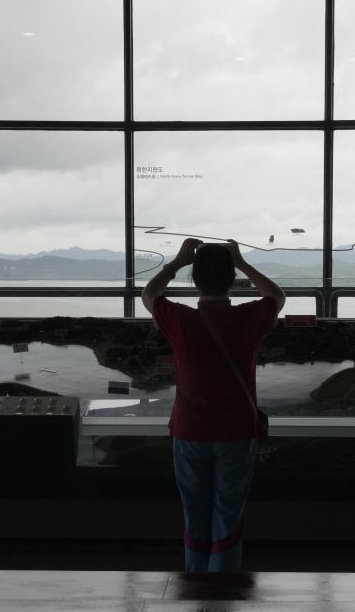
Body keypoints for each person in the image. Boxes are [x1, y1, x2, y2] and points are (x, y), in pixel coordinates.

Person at [141, 238, 285, 572]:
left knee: (194, 511)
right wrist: (243, 262)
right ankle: (223, 583)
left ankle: (196, 579)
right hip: (237, 430)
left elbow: (149, 295)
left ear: (195, 280)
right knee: (229, 511)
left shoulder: (180, 319)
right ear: (231, 278)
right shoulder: (249, 318)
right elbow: (277, 297)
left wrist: (176, 262)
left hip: (190, 431)